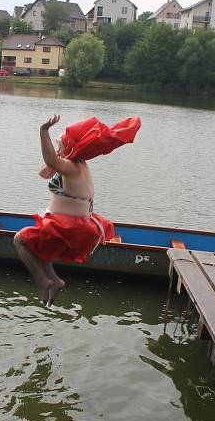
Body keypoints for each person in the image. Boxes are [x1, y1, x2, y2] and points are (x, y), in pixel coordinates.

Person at [14, 114, 140, 306]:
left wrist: (43, 131)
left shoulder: (72, 167)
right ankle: (54, 281)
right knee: (40, 247)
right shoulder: (75, 165)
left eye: (61, 143)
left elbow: (50, 161)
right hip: (71, 222)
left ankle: (43, 282)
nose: (58, 147)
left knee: (20, 240)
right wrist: (58, 153)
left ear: (70, 147)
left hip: (69, 225)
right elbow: (44, 172)